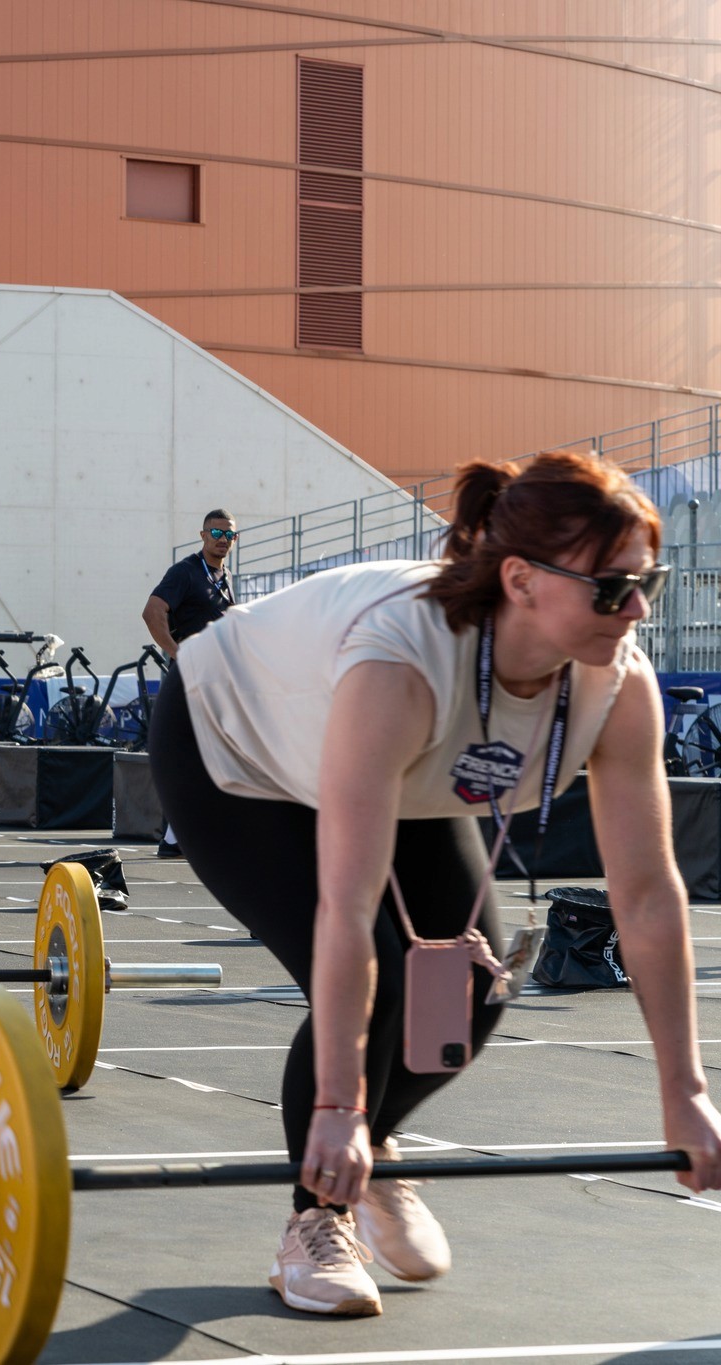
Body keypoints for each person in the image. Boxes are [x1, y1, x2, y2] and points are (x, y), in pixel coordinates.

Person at [149, 452, 721, 1318]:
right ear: (522, 581)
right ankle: (317, 1217)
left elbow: (646, 894)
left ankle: (377, 1149)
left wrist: (686, 1093)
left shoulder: (620, 681)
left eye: (651, 583)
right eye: (612, 589)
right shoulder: (403, 658)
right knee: (375, 966)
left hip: (404, 764)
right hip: (235, 748)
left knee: (475, 981)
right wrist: (338, 1103)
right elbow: (345, 906)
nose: (636, 609)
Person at [143, 509, 237, 858]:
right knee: (190, 756)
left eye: (229, 535)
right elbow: (153, 611)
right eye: (216, 532)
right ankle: (173, 839)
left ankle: (180, 836)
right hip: (189, 679)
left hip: (216, 680)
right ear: (202, 535)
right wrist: (178, 653)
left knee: (209, 757)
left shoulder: (224, 576)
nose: (222, 539)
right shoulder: (185, 571)